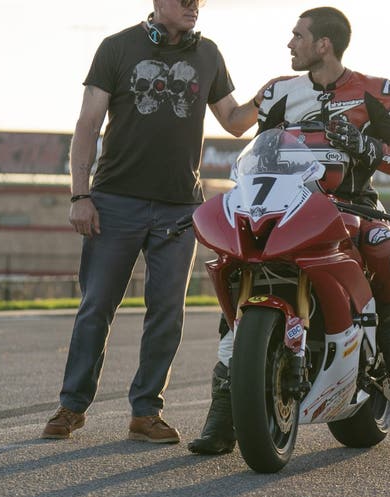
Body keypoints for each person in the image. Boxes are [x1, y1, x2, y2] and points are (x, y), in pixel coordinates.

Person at [188, 6, 390, 455]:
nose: (289, 43)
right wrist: (199, 78)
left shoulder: (376, 90)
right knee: (239, 269)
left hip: (351, 206)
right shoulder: (279, 90)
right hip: (283, 206)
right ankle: (224, 412)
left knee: (384, 245)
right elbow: (250, 140)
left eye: (298, 36)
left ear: (324, 44)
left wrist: (366, 145)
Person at [42, 0, 265, 443]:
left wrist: (272, 94)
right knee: (96, 308)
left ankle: (145, 413)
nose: (193, 7)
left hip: (179, 208)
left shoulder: (209, 55)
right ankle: (71, 407)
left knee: (166, 313)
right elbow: (87, 124)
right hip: (114, 202)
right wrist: (80, 195)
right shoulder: (117, 48)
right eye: (184, 0)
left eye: (198, 2)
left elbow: (236, 122)